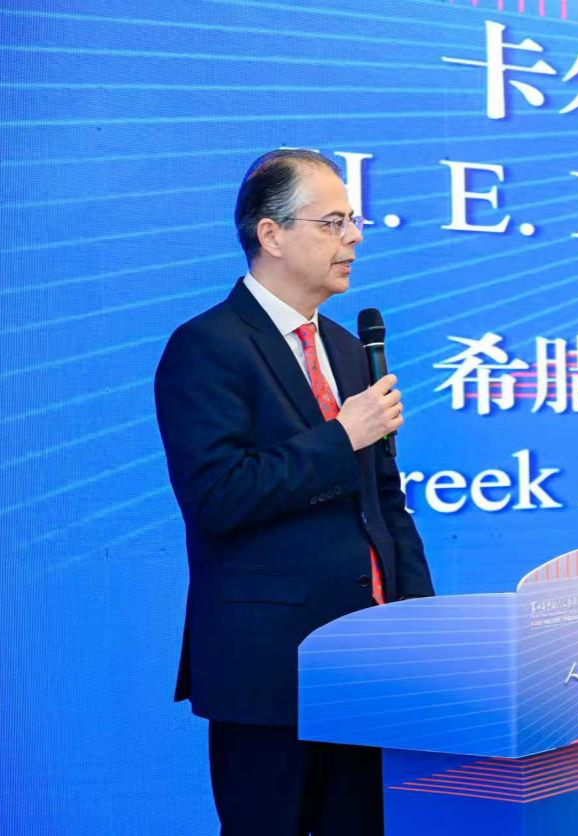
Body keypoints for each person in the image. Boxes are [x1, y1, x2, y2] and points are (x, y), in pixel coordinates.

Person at [154, 149, 434, 835]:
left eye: (354, 221)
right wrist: (341, 437)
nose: (354, 238)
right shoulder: (207, 346)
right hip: (268, 671)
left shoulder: (347, 348)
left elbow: (384, 501)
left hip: (367, 664)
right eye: (333, 222)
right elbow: (218, 496)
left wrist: (423, 625)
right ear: (271, 234)